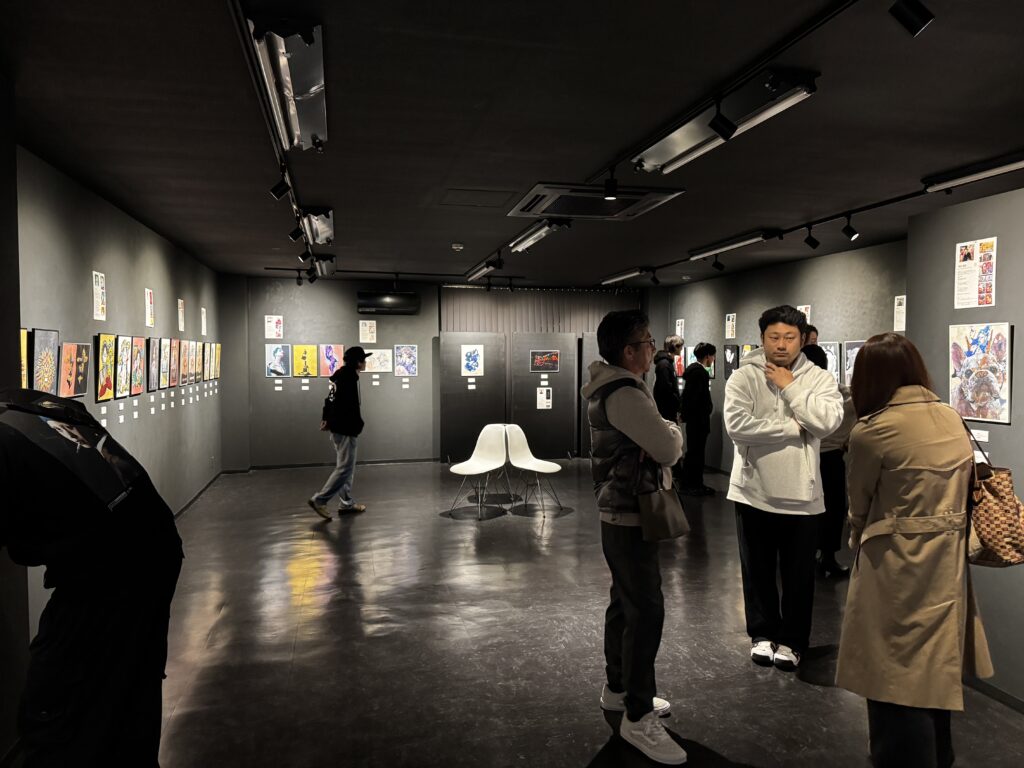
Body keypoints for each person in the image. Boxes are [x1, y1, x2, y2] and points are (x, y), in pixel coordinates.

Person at [0, 389, 183, 766]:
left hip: (113, 566)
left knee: (56, 701)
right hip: (151, 542)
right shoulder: (24, 406)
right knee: (132, 684)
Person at [835, 333, 993, 767]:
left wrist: (857, 538)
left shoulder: (872, 430)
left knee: (891, 669)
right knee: (934, 667)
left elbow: (859, 505)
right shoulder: (952, 418)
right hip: (947, 563)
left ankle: (900, 757)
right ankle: (940, 754)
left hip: (893, 563)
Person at [581, 309, 686, 766]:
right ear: (629, 351)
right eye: (647, 342)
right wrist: (673, 433)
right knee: (646, 611)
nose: (652, 348)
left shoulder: (611, 387)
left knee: (625, 603)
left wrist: (663, 433)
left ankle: (619, 688)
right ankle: (638, 715)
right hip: (629, 511)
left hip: (621, 509)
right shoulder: (624, 392)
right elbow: (667, 447)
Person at [723, 305, 843, 671]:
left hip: (803, 496)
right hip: (752, 489)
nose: (781, 344)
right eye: (773, 337)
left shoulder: (820, 379)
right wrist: (792, 428)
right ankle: (761, 634)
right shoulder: (743, 377)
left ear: (802, 340)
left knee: (798, 575)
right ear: (761, 339)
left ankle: (792, 641)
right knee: (756, 570)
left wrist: (790, 388)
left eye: (789, 338)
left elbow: (826, 423)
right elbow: (737, 427)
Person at [801, 344, 856, 578]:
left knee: (810, 509)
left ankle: (810, 556)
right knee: (831, 509)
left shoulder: (798, 392)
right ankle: (827, 557)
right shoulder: (840, 392)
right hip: (831, 458)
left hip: (806, 457)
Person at [308, 346, 369, 519]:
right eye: (363, 359)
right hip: (345, 429)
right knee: (344, 468)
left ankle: (346, 503)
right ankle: (320, 500)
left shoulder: (342, 376)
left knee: (346, 467)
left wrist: (326, 418)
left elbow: (330, 399)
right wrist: (357, 424)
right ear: (358, 362)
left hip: (341, 427)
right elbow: (346, 406)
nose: (365, 363)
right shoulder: (348, 378)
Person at [679, 342, 716, 496]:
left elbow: (688, 397)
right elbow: (695, 398)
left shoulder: (693, 372)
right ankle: (693, 485)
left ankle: (691, 483)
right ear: (707, 356)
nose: (713, 359)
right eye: (713, 356)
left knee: (693, 452)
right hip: (698, 420)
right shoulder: (700, 373)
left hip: (694, 420)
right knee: (696, 453)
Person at [652, 335, 683, 423]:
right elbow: (666, 389)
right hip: (666, 410)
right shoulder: (664, 364)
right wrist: (676, 403)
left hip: (668, 408)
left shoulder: (666, 363)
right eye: (680, 346)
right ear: (675, 346)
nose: (681, 349)